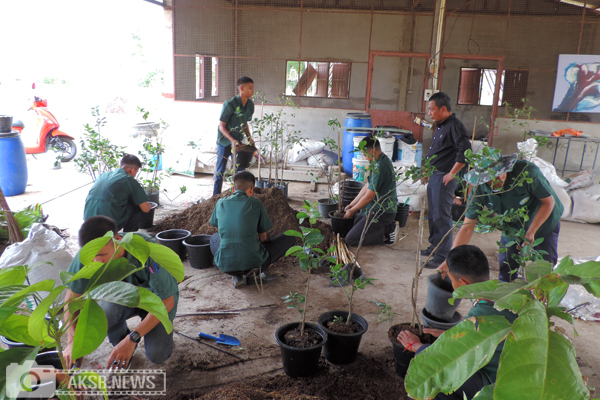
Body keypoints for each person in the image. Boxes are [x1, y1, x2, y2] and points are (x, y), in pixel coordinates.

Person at [398, 245, 518, 400]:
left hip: (493, 384)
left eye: (451, 279)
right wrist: (451, 334)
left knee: (438, 380)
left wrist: (417, 346)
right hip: (515, 373)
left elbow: (454, 361)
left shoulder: (480, 315)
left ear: (462, 283)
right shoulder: (508, 293)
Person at [63, 216, 179, 369]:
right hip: (122, 299)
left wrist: (134, 337)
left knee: (157, 355)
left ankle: (131, 342)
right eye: (92, 257)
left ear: (118, 241)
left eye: (102, 256)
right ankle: (121, 344)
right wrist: (72, 341)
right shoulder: (89, 256)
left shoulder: (146, 249)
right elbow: (71, 300)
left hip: (156, 302)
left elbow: (167, 301)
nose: (96, 262)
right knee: (105, 310)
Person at [438, 154, 563, 282]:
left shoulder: (526, 172)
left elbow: (548, 202)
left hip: (543, 221)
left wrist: (531, 231)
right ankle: (506, 288)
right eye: (493, 176)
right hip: (512, 226)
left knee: (544, 266)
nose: (500, 178)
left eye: (501, 172)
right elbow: (467, 228)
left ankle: (543, 292)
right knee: (507, 264)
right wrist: (449, 261)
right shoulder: (479, 190)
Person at [209, 171, 295, 288]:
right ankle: (255, 274)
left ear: (233, 189)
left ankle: (237, 276)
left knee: (213, 238)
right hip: (255, 263)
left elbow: (218, 228)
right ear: (251, 189)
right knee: (291, 236)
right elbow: (263, 238)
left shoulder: (220, 203)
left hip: (225, 265)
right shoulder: (256, 204)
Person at [422, 92, 472, 269]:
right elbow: (438, 152)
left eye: (432, 109)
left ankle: (442, 256)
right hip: (434, 175)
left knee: (441, 216)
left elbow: (465, 152)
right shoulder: (440, 126)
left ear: (443, 109)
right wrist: (427, 170)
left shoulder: (455, 126)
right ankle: (435, 246)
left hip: (444, 176)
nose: (429, 113)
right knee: (433, 214)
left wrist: (452, 173)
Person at [344, 135, 398, 247]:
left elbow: (369, 196)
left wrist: (352, 210)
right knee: (354, 224)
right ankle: (379, 228)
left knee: (351, 239)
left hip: (383, 212)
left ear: (372, 152)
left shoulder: (380, 167)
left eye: (365, 155)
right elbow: (367, 186)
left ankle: (388, 230)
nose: (365, 158)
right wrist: (352, 205)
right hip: (374, 207)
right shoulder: (378, 160)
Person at [83, 154, 151, 232]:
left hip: (87, 224)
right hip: (105, 227)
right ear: (132, 169)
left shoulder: (103, 175)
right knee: (136, 205)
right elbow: (146, 209)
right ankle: (128, 236)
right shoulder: (128, 179)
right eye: (136, 171)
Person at [213, 76, 255, 195]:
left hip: (238, 142)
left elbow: (244, 123)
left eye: (253, 88)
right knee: (220, 171)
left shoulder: (250, 105)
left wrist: (249, 138)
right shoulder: (230, 104)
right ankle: (215, 197)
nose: (252, 90)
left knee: (239, 170)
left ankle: (238, 195)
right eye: (250, 88)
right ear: (241, 88)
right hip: (224, 142)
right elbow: (221, 126)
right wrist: (231, 140)